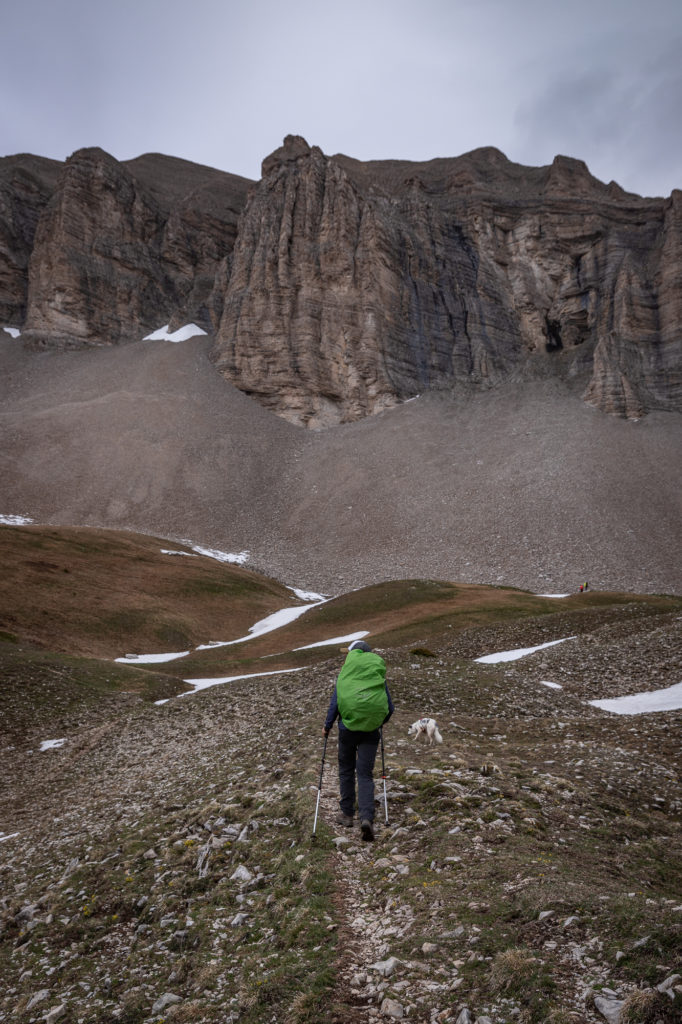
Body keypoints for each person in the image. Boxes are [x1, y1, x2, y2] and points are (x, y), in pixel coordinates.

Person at [323, 639, 394, 842]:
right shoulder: (377, 676)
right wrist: (379, 722)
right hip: (371, 731)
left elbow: (335, 704)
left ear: (352, 654)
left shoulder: (345, 675)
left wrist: (327, 726)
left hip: (347, 730)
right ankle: (366, 818)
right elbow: (389, 707)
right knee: (364, 774)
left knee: (346, 769)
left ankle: (346, 814)